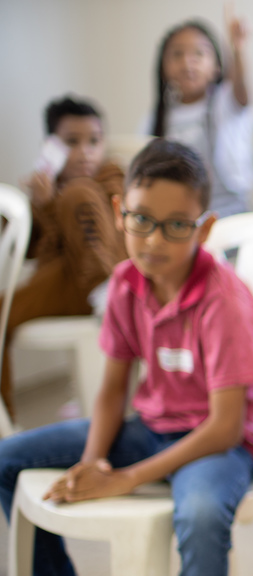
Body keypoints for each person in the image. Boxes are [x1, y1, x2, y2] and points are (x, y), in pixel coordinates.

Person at [0, 139, 253, 576]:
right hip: (151, 424)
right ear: (121, 212)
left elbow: (225, 427)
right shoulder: (127, 283)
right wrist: (95, 459)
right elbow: (113, 390)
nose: (153, 240)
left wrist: (126, 478)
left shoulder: (223, 301)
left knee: (201, 515)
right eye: (141, 221)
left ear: (204, 228)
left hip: (217, 444)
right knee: (10, 459)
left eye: (176, 226)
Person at [8, 95, 127, 416]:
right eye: (71, 142)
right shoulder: (49, 188)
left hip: (112, 277)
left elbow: (120, 232)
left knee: (78, 192)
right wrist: (42, 204)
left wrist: (63, 200)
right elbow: (35, 251)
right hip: (66, 282)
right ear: (51, 147)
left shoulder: (112, 178)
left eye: (94, 141)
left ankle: (107, 291)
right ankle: (6, 420)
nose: (85, 151)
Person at [147, 13, 253, 218]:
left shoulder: (225, 103)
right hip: (178, 214)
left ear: (216, 67)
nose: (188, 62)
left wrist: (238, 49)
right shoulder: (156, 118)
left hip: (229, 212)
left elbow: (242, 93)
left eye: (199, 54)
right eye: (177, 54)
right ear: (164, 67)